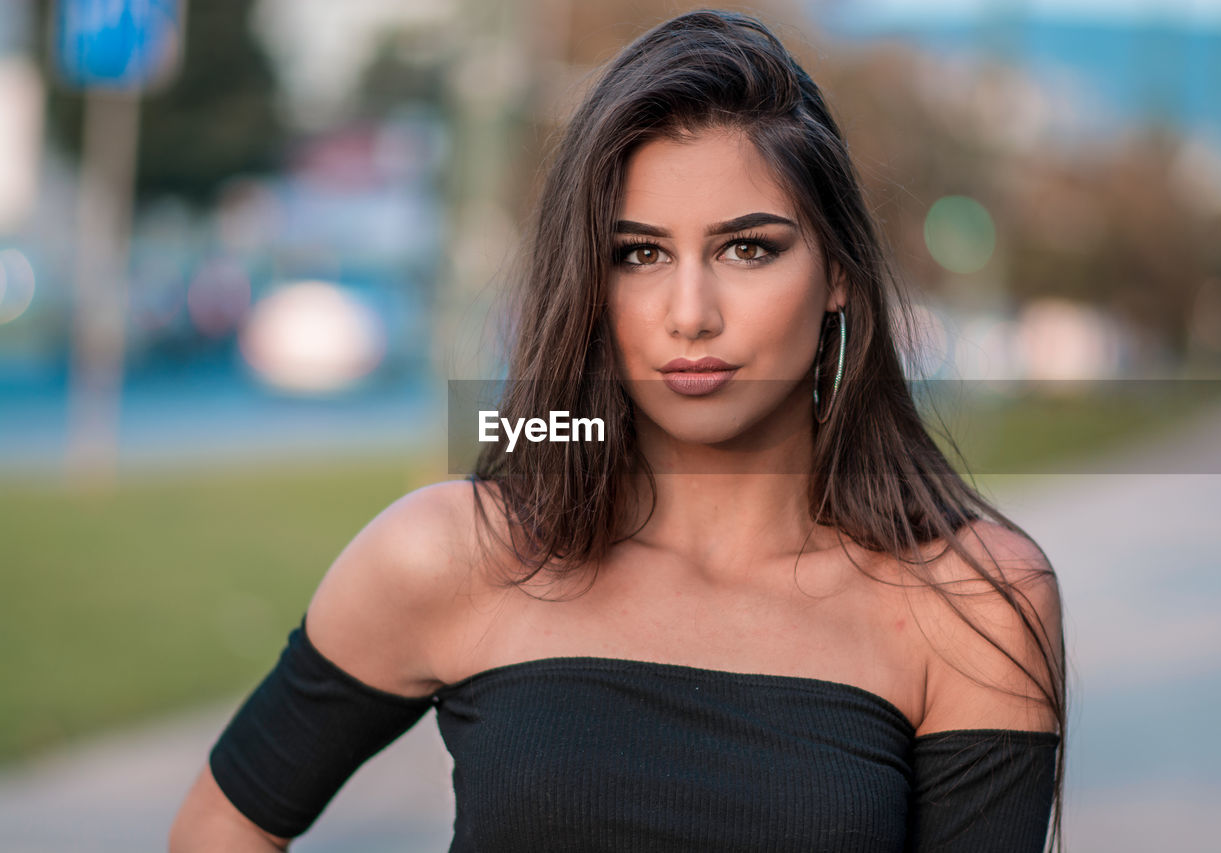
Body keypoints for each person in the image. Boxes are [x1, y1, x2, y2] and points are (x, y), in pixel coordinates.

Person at [170, 9, 1065, 852]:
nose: (690, 313)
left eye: (747, 247)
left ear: (836, 271)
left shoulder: (973, 604)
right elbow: (221, 825)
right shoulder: (451, 553)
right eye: (637, 254)